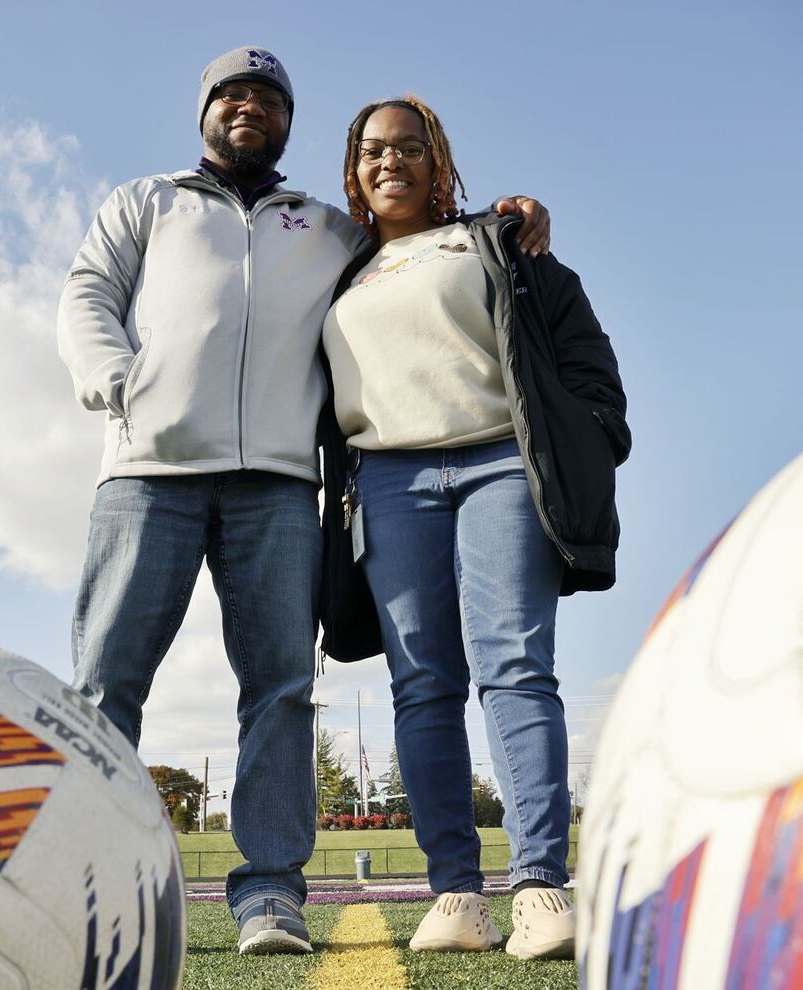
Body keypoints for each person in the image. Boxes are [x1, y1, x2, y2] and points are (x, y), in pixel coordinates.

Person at [57, 48, 550, 956]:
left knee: (280, 689)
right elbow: (88, 291)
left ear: (288, 123)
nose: (249, 108)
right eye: (232, 96)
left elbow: (418, 248)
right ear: (205, 112)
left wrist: (509, 217)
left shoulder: (325, 227)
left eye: (268, 99)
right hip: (146, 475)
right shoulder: (146, 203)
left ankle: (271, 895)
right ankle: (79, 885)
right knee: (104, 684)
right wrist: (115, 378)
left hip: (281, 486)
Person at [320, 95, 630, 960]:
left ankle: (540, 888)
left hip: (499, 462)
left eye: (410, 148)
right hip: (386, 477)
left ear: (438, 160)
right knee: (422, 685)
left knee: (516, 664)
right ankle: (456, 895)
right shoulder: (338, 270)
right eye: (374, 151)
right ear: (354, 171)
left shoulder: (496, 239)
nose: (392, 163)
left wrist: (592, 437)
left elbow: (582, 349)